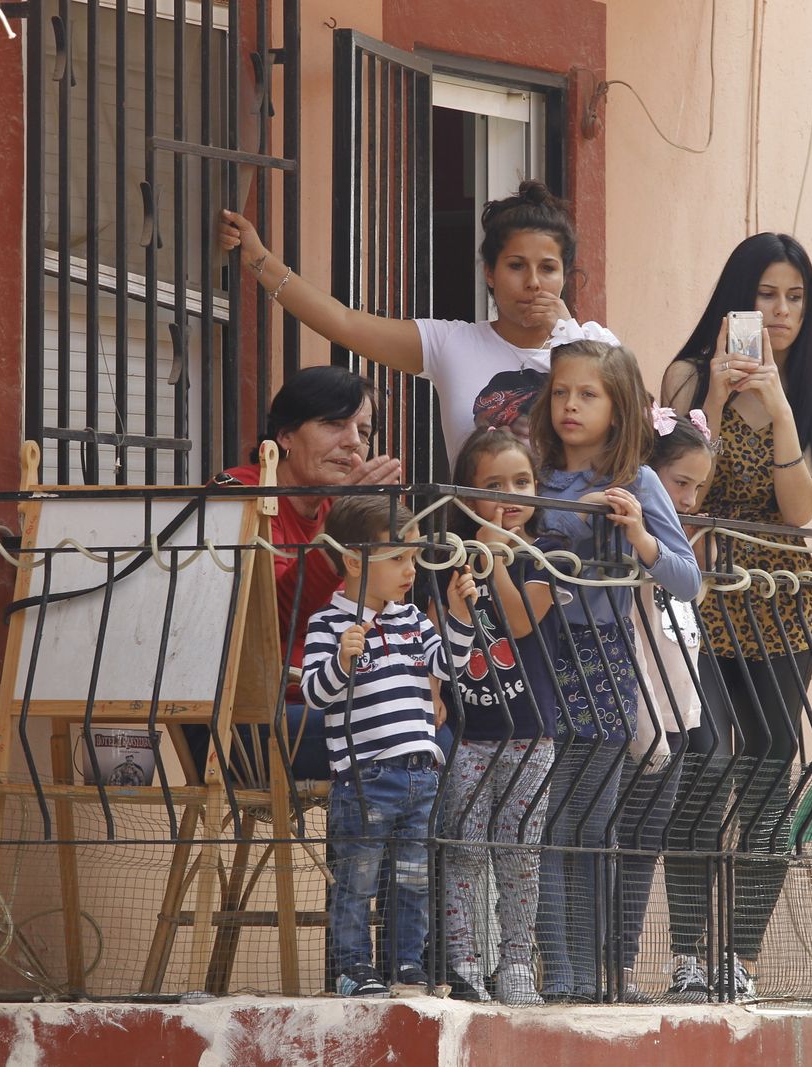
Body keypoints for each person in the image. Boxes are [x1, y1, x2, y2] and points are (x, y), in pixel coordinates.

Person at [658, 232, 812, 998]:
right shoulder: (682, 377)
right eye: (766, 294)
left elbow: (801, 510)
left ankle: (739, 955)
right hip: (697, 586)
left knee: (770, 765)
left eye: (795, 297)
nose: (779, 312)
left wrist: (777, 409)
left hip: (779, 594)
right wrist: (711, 397)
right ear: (737, 298)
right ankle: (685, 954)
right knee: (702, 759)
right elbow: (683, 492)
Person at [529, 333, 702, 1003]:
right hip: (541, 655)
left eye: (588, 394)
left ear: (618, 404)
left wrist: (638, 533)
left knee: (592, 821)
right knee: (542, 816)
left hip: (604, 662)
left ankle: (597, 966)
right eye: (562, 392)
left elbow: (687, 579)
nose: (571, 405)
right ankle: (556, 968)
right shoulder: (534, 471)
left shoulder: (638, 479)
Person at [219, 180, 580, 466]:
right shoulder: (453, 343)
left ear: (565, 276)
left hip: (579, 551)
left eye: (548, 268)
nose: (533, 282)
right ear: (489, 272)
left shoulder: (595, 347)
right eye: (516, 266)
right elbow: (343, 322)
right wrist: (258, 260)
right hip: (480, 550)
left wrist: (568, 335)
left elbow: (628, 437)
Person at [300, 495, 477, 997]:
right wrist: (342, 660)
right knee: (356, 879)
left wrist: (460, 614)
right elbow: (315, 693)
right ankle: (352, 968)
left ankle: (406, 965)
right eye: (397, 557)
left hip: (421, 771)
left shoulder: (413, 620)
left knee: (413, 879)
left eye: (413, 558)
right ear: (354, 560)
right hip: (367, 777)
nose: (409, 569)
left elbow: (449, 668)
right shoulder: (327, 624)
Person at [201, 365, 401, 780]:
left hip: (322, 699)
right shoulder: (239, 494)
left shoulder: (333, 510)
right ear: (286, 435)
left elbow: (377, 613)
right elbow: (274, 615)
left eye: (363, 432)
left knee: (445, 730)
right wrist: (343, 526)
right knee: (399, 737)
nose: (352, 443)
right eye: (333, 424)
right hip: (241, 718)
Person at [436, 428, 560, 1006]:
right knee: (463, 849)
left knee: (519, 853)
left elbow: (521, 621)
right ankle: (464, 961)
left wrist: (499, 560)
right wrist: (470, 567)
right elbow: (442, 640)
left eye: (522, 482)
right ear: (465, 495)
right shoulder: (445, 559)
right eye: (492, 485)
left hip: (529, 738)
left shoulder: (546, 554)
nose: (510, 495)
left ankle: (515, 964)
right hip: (470, 733)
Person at [615, 409, 715, 1003]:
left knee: (645, 843)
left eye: (700, 487)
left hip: (675, 715)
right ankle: (598, 962)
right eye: (681, 483)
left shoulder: (676, 553)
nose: (690, 497)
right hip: (632, 712)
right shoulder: (637, 545)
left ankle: (625, 965)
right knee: (611, 837)